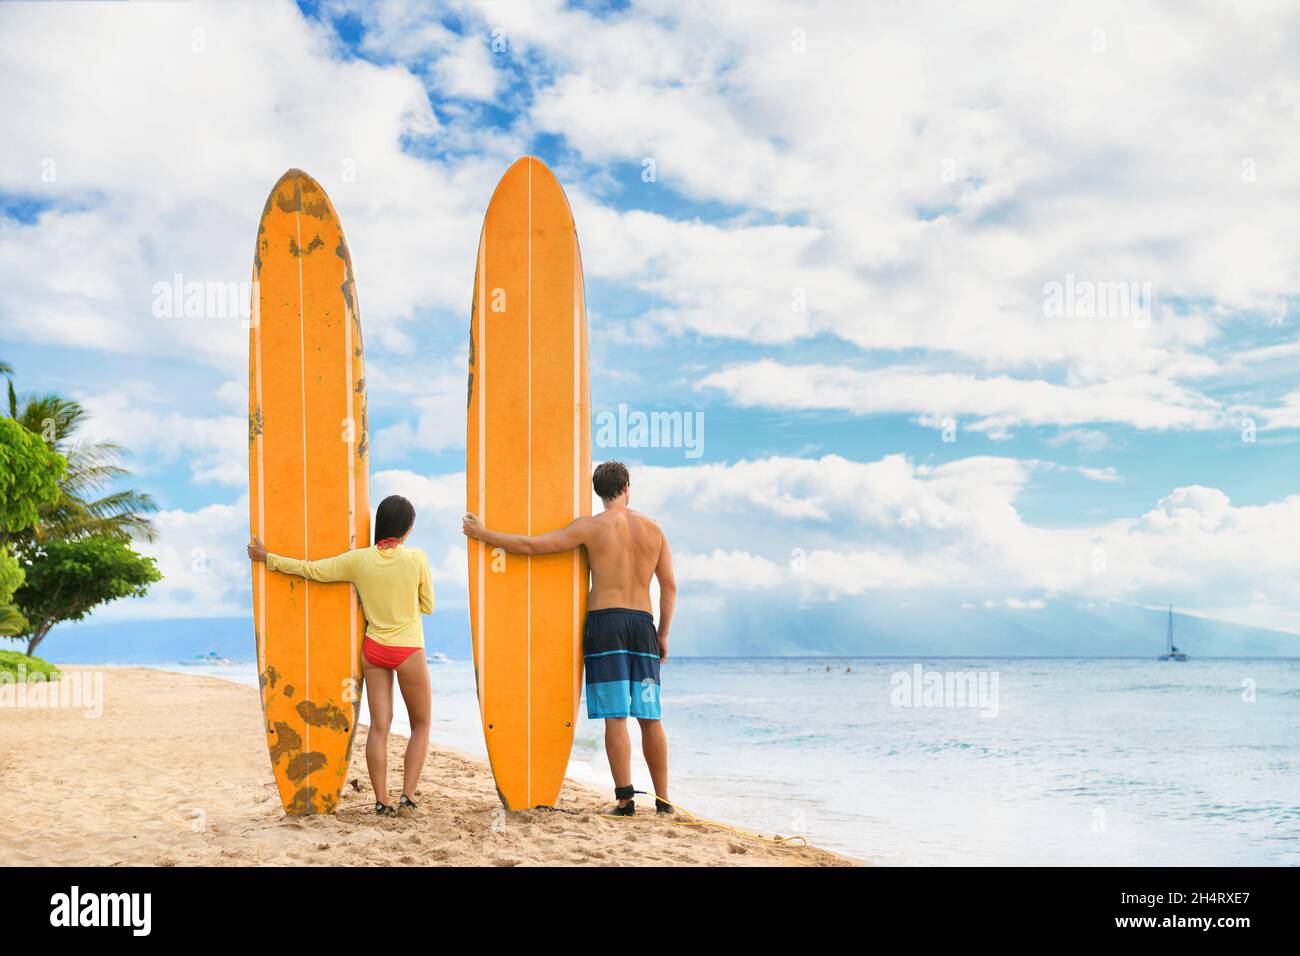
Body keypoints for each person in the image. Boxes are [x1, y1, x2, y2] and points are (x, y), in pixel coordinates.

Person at [462, 460, 676, 816]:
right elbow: (668, 585)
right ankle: (664, 799)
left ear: (598, 491)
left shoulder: (589, 528)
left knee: (616, 716)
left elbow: (531, 546)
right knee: (650, 716)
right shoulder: (654, 528)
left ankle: (625, 800)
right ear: (627, 487)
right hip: (643, 625)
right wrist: (663, 633)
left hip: (606, 623)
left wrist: (483, 534)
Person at [248, 495, 434, 816]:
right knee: (421, 724)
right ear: (407, 528)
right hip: (407, 649)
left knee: (379, 725)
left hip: (373, 648)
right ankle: (407, 796)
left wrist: (267, 558)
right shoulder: (416, 558)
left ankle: (382, 800)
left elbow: (311, 570)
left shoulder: (358, 560)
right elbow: (427, 604)